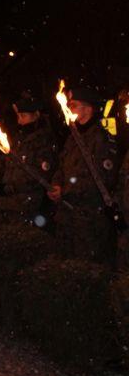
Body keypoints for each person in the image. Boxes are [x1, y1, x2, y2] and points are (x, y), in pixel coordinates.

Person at [48, 87, 118, 262]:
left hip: (89, 218)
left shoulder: (102, 139)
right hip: (67, 216)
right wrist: (56, 185)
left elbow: (102, 179)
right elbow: (61, 167)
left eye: (74, 105)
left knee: (86, 267)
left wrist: (66, 191)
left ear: (88, 109)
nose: (69, 109)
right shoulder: (73, 137)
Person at [0, 97, 58, 225]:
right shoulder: (18, 139)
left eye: (24, 116)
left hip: (27, 207)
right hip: (5, 205)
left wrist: (8, 188)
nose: (20, 121)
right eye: (18, 116)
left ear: (36, 115)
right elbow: (4, 161)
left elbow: (39, 176)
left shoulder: (44, 141)